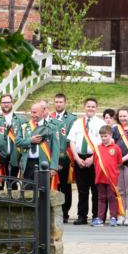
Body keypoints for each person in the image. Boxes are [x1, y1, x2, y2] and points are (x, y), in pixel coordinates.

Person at [67, 98, 105, 225]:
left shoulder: (101, 123)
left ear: (96, 108)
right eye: (88, 106)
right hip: (79, 158)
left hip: (95, 159)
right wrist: (77, 158)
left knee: (95, 189)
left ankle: (96, 216)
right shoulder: (78, 123)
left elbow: (103, 143)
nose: (90, 108)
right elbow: (72, 141)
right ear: (84, 107)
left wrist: (93, 158)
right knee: (82, 189)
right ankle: (82, 216)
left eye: (93, 106)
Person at [16, 102, 60, 188]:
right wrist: (30, 141)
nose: (32, 115)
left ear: (42, 112)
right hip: (28, 163)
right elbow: (17, 142)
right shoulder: (25, 126)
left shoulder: (52, 127)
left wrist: (53, 167)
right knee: (27, 191)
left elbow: (56, 149)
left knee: (42, 191)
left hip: (44, 164)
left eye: (35, 112)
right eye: (31, 112)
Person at [50, 93, 77, 223]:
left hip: (65, 157)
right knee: (53, 185)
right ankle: (53, 212)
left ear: (65, 103)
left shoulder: (71, 118)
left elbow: (71, 139)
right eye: (56, 102)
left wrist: (63, 159)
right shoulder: (50, 117)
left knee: (65, 187)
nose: (58, 104)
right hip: (51, 158)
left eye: (61, 102)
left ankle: (65, 213)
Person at [93, 125, 123, 227]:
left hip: (111, 178)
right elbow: (95, 162)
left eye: (105, 136)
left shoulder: (116, 148)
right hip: (100, 177)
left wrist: (113, 173)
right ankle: (100, 218)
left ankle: (113, 217)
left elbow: (119, 163)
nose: (103, 138)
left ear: (110, 135)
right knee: (101, 198)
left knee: (112, 197)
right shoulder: (97, 148)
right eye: (101, 136)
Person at [0, 93, 26, 184]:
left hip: (15, 156)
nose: (6, 104)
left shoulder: (21, 120)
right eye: (3, 102)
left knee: (13, 184)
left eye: (8, 102)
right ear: (0, 104)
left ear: (12, 103)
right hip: (0, 156)